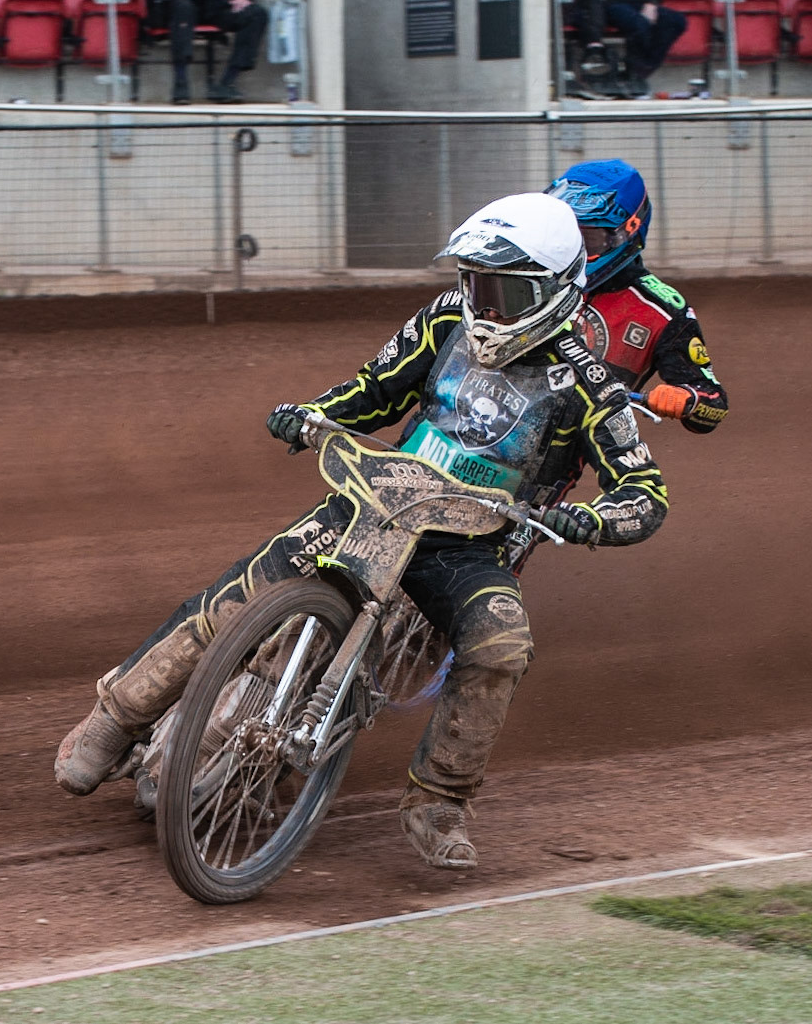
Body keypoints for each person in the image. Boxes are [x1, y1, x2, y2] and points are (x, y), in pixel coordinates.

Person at [55, 192, 668, 869]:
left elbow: (644, 491)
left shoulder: (587, 385)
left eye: (502, 290)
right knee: (247, 585)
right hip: (378, 502)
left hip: (469, 541)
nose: (483, 305)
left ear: (554, 291)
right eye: (475, 285)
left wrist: (586, 519)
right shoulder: (444, 322)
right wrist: (311, 413)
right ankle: (115, 718)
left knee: (501, 639)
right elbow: (376, 389)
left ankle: (439, 800)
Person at [547, 159, 727, 433]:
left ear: (626, 232)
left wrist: (687, 398)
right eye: (566, 234)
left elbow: (713, 401)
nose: (575, 248)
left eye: (589, 239)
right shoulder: (527, 273)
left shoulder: (662, 311)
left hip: (568, 451)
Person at [142, 0, 269, 105]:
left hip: (213, 3)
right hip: (173, 2)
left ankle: (227, 83)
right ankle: (180, 84)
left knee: (256, 14)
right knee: (183, 9)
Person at [606, 0, 686, 97]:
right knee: (638, 24)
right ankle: (632, 75)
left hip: (639, 3)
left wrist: (651, 4)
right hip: (608, 4)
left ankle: (639, 72)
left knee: (675, 21)